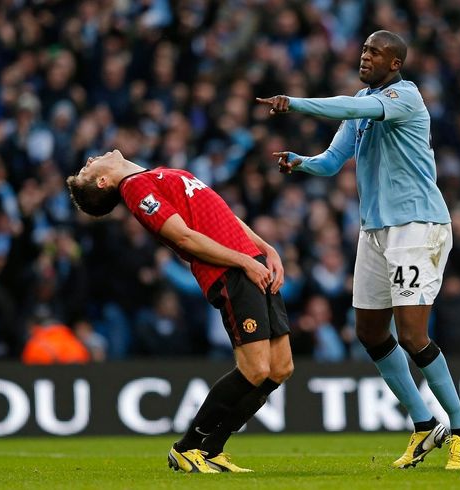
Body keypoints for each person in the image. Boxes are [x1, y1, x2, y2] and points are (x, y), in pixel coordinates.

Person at [257, 30, 460, 470]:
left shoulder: (404, 98)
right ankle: (422, 424)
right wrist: (301, 162)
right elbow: (332, 161)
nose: (365, 56)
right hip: (375, 230)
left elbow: (354, 107)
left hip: (418, 226)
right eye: (363, 50)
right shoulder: (363, 103)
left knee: (413, 334)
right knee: (370, 332)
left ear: (395, 63)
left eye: (375, 52)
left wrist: (295, 103)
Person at [66, 149, 293, 473]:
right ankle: (186, 448)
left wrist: (265, 248)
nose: (88, 160)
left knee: (280, 368)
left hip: (251, 263)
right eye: (87, 169)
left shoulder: (153, 176)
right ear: (103, 182)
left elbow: (222, 215)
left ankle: (212, 449)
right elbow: (184, 238)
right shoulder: (135, 190)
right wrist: (243, 261)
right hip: (230, 272)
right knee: (256, 369)